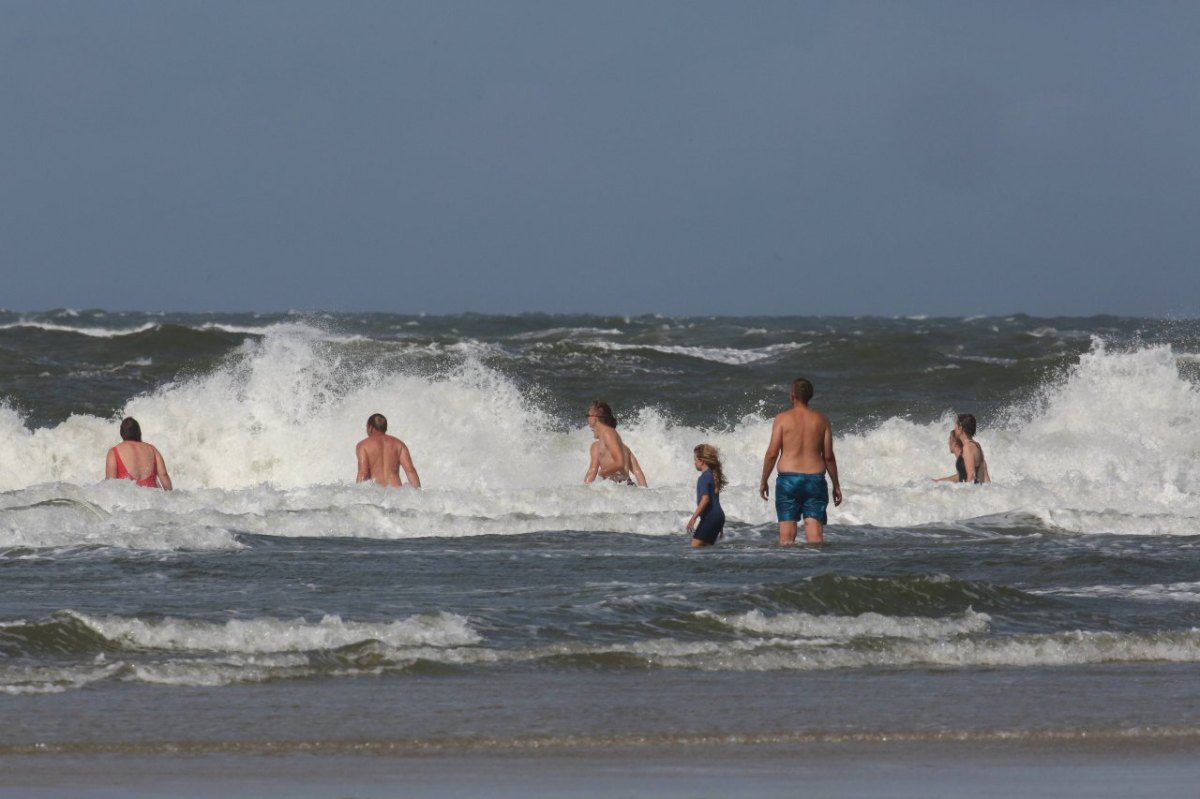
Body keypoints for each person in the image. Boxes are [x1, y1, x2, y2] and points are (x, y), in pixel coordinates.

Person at [759, 378, 842, 544]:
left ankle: (790, 567)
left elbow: (772, 453)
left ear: (792, 396)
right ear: (810, 396)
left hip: (788, 481)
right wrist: (836, 485)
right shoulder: (821, 420)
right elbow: (828, 456)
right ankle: (817, 568)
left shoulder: (782, 419)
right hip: (815, 481)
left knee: (786, 539)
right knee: (816, 537)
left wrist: (764, 480)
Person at [584, 401, 648, 486]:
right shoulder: (597, 446)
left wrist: (602, 472)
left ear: (594, 416)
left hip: (621, 486)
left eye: (587, 416)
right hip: (622, 487)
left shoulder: (608, 433)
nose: (587, 419)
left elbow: (619, 463)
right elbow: (637, 471)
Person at [105, 417, 173, 490]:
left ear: (122, 433)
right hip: (152, 498)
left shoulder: (114, 452)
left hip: (127, 498)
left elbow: (110, 483)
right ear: (139, 432)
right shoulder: (152, 449)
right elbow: (164, 475)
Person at [356, 413, 421, 488]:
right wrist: (418, 495)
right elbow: (410, 471)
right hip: (396, 492)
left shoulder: (363, 445)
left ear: (370, 427)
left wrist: (358, 496)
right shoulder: (399, 444)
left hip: (375, 492)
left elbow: (363, 473)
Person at [687, 444, 726, 548]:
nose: (694, 462)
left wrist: (693, 518)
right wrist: (719, 524)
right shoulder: (714, 476)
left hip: (711, 517)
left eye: (695, 459)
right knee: (706, 549)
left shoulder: (703, 478)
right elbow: (715, 502)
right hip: (719, 517)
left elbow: (706, 499)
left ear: (701, 461)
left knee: (695, 547)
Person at [955, 413, 991, 484]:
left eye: (955, 426)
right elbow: (984, 473)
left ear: (960, 428)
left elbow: (971, 476)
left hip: (969, 492)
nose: (954, 429)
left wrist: (965, 494)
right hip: (975, 492)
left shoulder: (968, 447)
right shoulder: (976, 445)